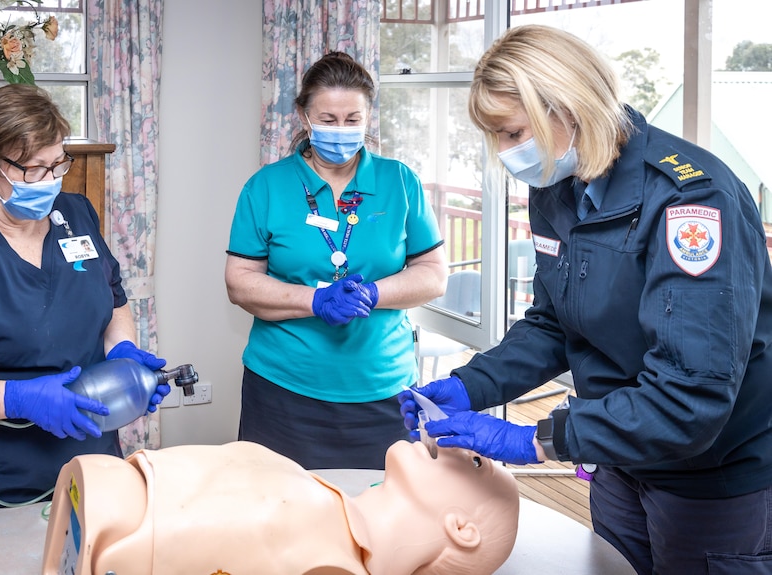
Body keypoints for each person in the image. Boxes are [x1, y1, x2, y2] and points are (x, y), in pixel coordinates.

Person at [399, 24, 772, 574]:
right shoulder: (557, 185)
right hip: (618, 456)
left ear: (568, 108)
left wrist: (539, 439)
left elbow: (690, 395)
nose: (505, 153)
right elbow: (554, 324)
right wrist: (469, 385)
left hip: (711, 476)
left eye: (512, 132)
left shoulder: (691, 201)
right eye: (496, 136)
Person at [0, 84, 169, 522]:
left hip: (91, 466)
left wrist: (122, 353)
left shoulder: (76, 214)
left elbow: (113, 299)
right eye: (32, 169)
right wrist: (17, 398)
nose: (49, 182)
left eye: (57, 165)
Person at [225, 51, 448, 469]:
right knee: (283, 518)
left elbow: (433, 276)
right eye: (328, 120)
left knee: (382, 518)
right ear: (304, 118)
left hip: (384, 392)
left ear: (368, 117)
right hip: (283, 389)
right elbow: (239, 282)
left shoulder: (400, 181)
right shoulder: (266, 187)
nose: (341, 131)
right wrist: (315, 301)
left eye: (353, 120)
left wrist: (372, 292)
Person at [41, 439, 519, 575]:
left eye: (475, 461)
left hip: (110, 528)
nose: (455, 444)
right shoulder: (319, 496)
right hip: (106, 488)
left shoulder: (333, 563)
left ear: (462, 528)